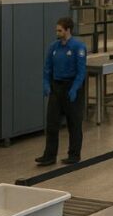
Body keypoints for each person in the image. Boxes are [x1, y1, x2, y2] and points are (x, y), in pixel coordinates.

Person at [36, 17, 87, 166]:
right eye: (57, 30)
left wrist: (75, 89)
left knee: (74, 124)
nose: (57, 32)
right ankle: (49, 155)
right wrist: (46, 84)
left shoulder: (78, 47)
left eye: (60, 30)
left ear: (68, 30)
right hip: (56, 87)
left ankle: (74, 155)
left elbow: (81, 71)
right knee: (52, 123)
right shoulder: (53, 47)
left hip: (72, 87)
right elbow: (47, 68)